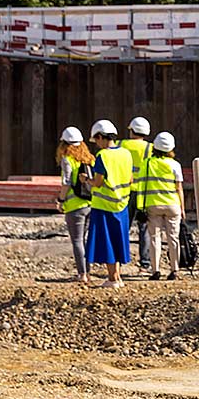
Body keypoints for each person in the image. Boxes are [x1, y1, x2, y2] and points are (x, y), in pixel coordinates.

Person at [85, 119, 134, 289]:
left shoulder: (103, 156)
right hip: (122, 204)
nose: (97, 144)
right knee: (118, 240)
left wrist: (87, 180)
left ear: (100, 136)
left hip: (103, 206)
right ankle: (117, 277)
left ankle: (112, 279)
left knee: (107, 242)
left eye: (96, 140)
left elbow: (98, 182)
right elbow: (130, 178)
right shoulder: (126, 154)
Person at [138, 132, 185, 281]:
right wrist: (182, 208)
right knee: (173, 238)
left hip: (153, 205)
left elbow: (141, 186)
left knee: (154, 238)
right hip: (172, 204)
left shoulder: (147, 163)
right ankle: (174, 269)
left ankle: (155, 270)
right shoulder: (175, 165)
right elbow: (179, 188)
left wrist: (141, 206)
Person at [55, 126, 94, 285]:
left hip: (74, 206)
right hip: (90, 204)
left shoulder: (67, 159)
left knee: (77, 240)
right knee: (85, 240)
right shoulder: (89, 158)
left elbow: (67, 183)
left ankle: (82, 274)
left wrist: (61, 200)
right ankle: (88, 271)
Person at [121, 116, 153, 269]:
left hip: (125, 192)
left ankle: (121, 258)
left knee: (123, 227)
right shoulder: (150, 148)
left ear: (132, 130)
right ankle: (145, 261)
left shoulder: (121, 144)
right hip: (143, 194)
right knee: (144, 227)